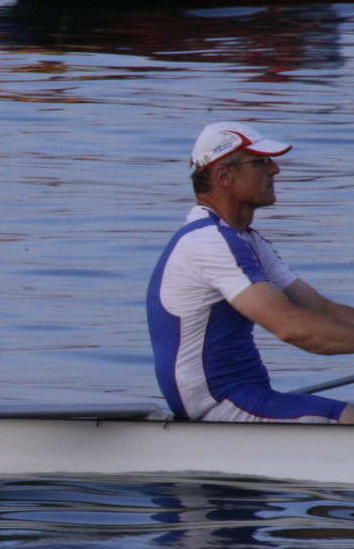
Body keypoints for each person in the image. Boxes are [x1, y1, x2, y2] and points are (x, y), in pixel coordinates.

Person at [147, 121, 354, 424]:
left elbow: (321, 309)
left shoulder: (246, 241)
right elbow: (290, 327)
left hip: (248, 395)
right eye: (261, 162)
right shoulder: (208, 242)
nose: (275, 170)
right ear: (224, 176)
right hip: (219, 405)